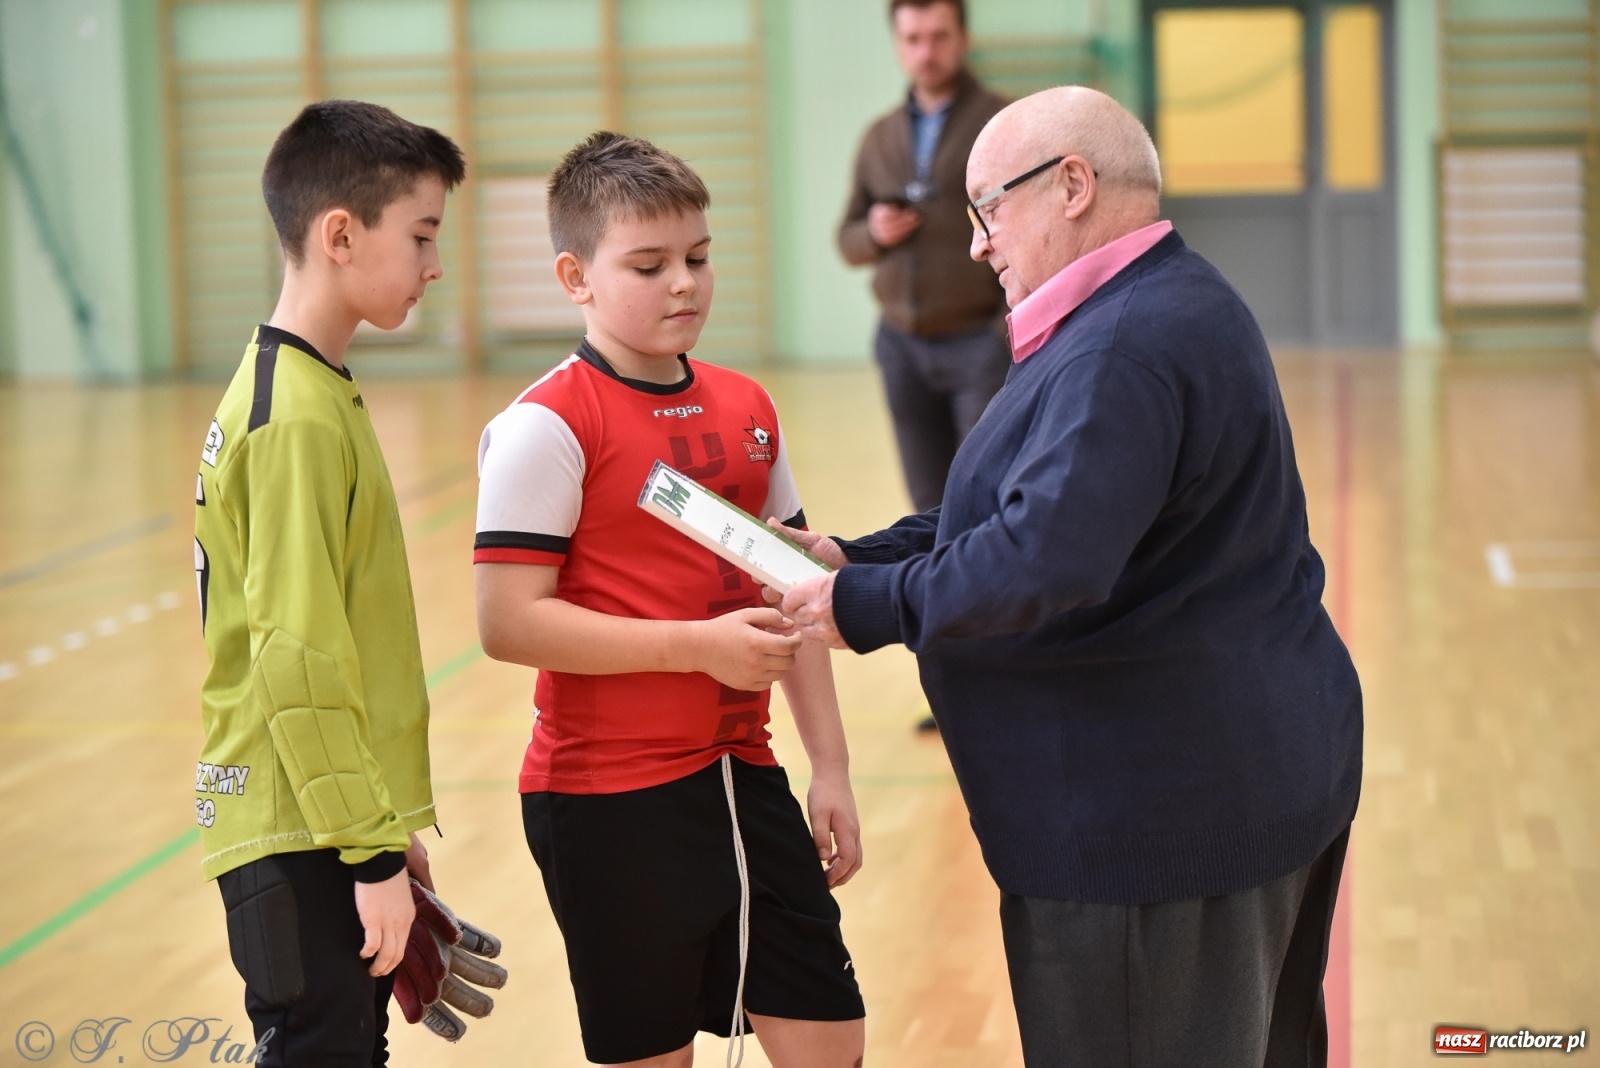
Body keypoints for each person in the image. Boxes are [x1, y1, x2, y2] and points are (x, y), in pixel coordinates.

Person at [778, 86, 1363, 1067]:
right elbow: (1025, 504)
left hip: (1159, 843)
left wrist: (862, 605)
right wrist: (862, 556)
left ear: (1073, 186)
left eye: (987, 210)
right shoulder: (1165, 299)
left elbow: (1041, 557)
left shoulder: (1123, 346)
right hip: (1246, 784)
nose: (976, 245)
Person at [473, 131, 865, 1068]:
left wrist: (831, 766)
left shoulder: (749, 406)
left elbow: (798, 592)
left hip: (746, 776)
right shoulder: (546, 425)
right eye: (649, 266)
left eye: (699, 256)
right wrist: (699, 645)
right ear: (576, 276)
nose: (684, 283)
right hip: (608, 800)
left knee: (833, 1041)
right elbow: (507, 623)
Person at [193, 100, 465, 1067]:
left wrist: (381, 826)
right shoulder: (295, 419)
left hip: (323, 820)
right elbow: (298, 660)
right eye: (421, 236)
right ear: (340, 236)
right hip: (296, 827)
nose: (436, 264)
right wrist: (369, 852)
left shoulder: (310, 387)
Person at [840, 0, 1009, 732]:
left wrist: (1007, 331)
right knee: (929, 514)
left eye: (939, 35)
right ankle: (950, 678)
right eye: (913, 37)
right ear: (897, 43)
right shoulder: (879, 137)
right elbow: (847, 237)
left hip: (982, 345)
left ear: (962, 39)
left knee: (987, 509)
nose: (926, 50)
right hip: (902, 348)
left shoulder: (1002, 125)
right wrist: (874, 233)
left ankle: (1009, 670)